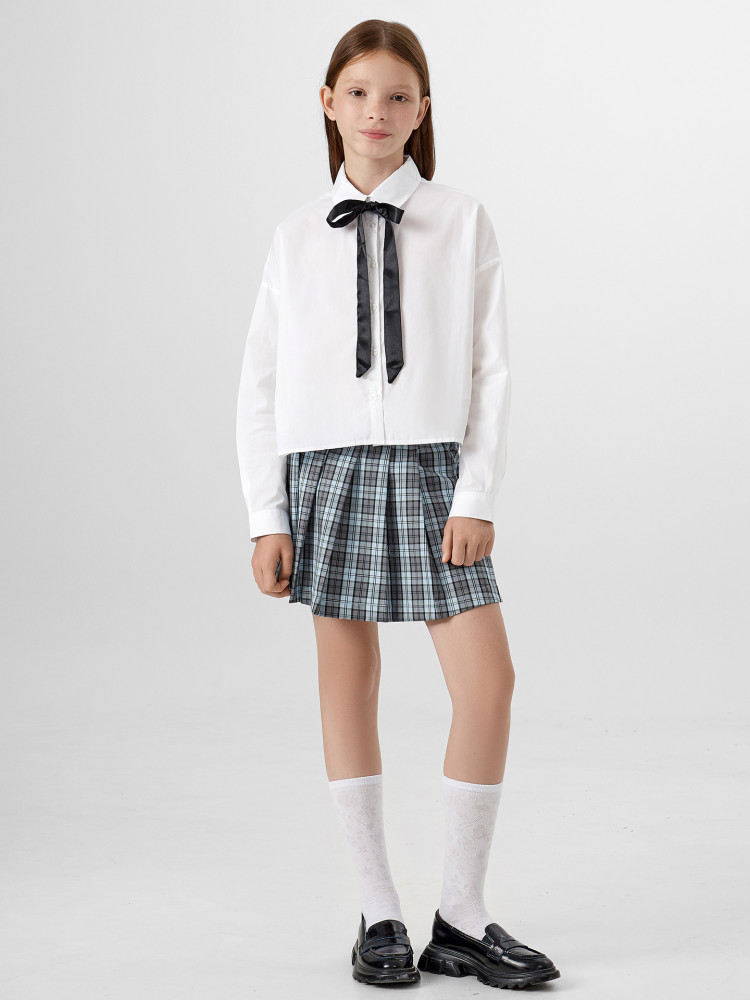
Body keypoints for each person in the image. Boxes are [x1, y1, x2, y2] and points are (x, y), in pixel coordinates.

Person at [235, 19, 560, 990]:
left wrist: (476, 492)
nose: (376, 112)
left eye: (398, 97)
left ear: (422, 113)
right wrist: (266, 515)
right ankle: (378, 910)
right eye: (359, 93)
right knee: (349, 678)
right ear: (328, 103)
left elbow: (491, 370)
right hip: (326, 472)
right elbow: (259, 384)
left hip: (430, 472)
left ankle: (461, 914)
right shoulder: (295, 235)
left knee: (487, 682)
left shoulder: (462, 220)